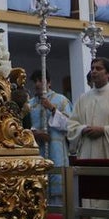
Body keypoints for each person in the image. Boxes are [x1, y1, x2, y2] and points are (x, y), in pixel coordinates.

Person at [29, 68, 72, 207]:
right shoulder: (29, 104)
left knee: (58, 201)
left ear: (49, 82)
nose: (37, 84)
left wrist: (52, 109)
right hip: (36, 153)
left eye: (40, 80)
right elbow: (23, 127)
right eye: (35, 81)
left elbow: (70, 125)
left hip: (56, 153)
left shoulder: (61, 100)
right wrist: (34, 134)